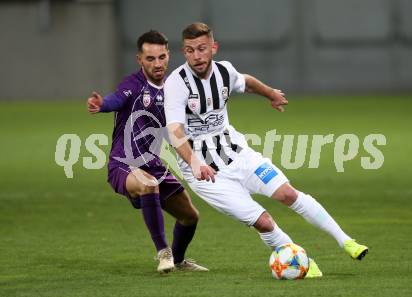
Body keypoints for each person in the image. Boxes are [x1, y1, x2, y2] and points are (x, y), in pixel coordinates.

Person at [164, 22, 368, 277]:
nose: (196, 56)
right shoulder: (177, 84)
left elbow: (246, 82)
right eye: (190, 50)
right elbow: (175, 132)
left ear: (213, 48)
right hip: (205, 172)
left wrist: (270, 93)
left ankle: (346, 240)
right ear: (184, 52)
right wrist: (195, 163)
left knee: (287, 194)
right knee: (262, 221)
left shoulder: (224, 72)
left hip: (238, 154)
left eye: (202, 49)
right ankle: (301, 259)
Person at [87, 30, 208, 273]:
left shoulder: (174, 89)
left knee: (190, 216)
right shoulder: (133, 85)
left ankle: (179, 260)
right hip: (124, 164)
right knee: (149, 183)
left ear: (168, 56)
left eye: (161, 57)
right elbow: (116, 99)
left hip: (153, 163)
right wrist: (102, 105)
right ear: (139, 60)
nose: (157, 64)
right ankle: (163, 253)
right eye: (150, 59)